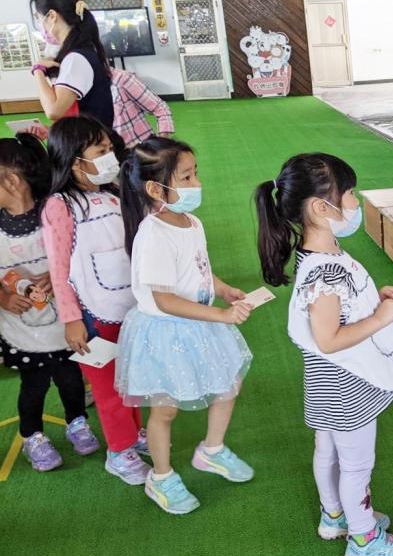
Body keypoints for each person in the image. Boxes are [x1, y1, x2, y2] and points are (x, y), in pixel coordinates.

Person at [255, 153, 393, 556]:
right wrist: (381, 318)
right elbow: (328, 338)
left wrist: (373, 302)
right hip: (348, 385)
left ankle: (335, 516)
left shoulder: (319, 258)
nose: (354, 201)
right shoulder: (324, 274)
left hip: (327, 385)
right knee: (356, 464)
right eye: (348, 194)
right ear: (319, 207)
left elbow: (339, 313)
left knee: (327, 450)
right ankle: (363, 539)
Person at [115, 137, 255, 515]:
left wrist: (223, 290)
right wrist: (222, 316)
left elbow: (198, 269)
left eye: (196, 174)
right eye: (187, 177)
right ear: (155, 188)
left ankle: (212, 450)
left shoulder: (191, 221)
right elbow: (164, 298)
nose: (197, 184)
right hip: (166, 332)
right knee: (165, 409)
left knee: (228, 385)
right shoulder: (153, 233)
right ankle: (160, 476)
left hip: (201, 321)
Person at [42, 115, 149, 485]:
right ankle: (120, 453)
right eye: (101, 151)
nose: (110, 156)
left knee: (131, 380)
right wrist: (71, 318)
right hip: (93, 315)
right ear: (75, 160)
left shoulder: (113, 192)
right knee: (108, 390)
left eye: (109, 149)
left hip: (129, 309)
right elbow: (59, 268)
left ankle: (133, 435)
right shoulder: (60, 205)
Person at [0, 134, 99, 472]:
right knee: (34, 384)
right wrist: (4, 296)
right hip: (21, 328)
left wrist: (58, 282)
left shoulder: (54, 210)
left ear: (12, 180)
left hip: (62, 321)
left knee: (70, 377)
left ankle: (77, 421)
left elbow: (76, 253)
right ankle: (33, 436)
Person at [30, 0, 113, 127]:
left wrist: (38, 70)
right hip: (89, 140)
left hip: (90, 145)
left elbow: (53, 111)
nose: (39, 24)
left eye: (38, 18)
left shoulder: (75, 58)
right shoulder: (81, 52)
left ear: (51, 16)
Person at [111, 68, 175, 148]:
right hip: (108, 156)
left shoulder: (121, 78)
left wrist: (162, 145)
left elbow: (160, 108)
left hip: (140, 151)